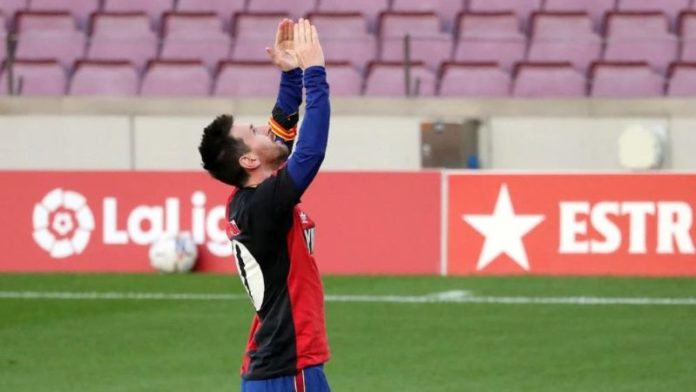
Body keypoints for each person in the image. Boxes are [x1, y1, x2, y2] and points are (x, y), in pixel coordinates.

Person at [198, 18, 331, 392]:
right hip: (288, 368)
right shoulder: (263, 204)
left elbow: (283, 131)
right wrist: (314, 71)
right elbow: (311, 151)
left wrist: (290, 75)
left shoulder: (252, 196)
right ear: (248, 162)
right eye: (254, 133)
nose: (265, 129)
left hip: (279, 366)